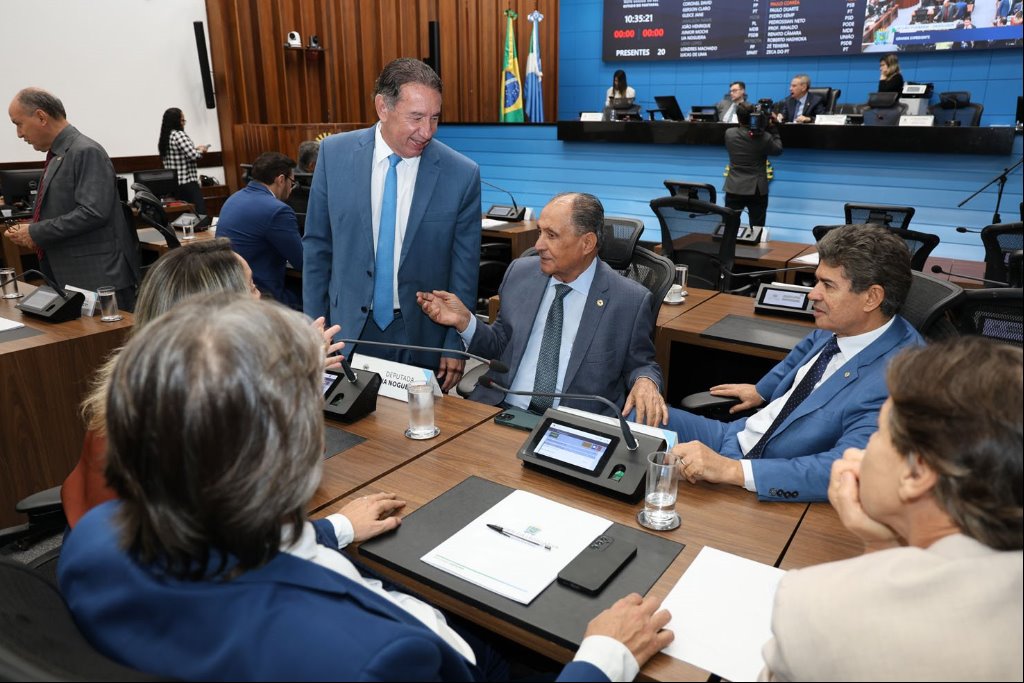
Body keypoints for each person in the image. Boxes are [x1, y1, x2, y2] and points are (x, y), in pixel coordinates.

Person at [59, 294, 674, 681]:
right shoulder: (372, 661)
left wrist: (332, 529)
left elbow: (221, 547)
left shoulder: (89, 546)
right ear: (294, 450)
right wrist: (602, 660)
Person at [760, 337, 1023, 680]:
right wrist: (881, 547)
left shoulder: (817, 607)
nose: (863, 449)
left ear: (917, 473)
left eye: (880, 433)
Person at [61, 239, 343, 528]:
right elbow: (292, 478)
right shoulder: (210, 411)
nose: (262, 298)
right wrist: (303, 378)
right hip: (167, 563)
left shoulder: (130, 379)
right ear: (221, 312)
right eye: (252, 288)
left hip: (98, 551)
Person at [667, 225, 922, 502]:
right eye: (817, 281)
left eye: (828, 285)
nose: (813, 294)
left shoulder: (901, 380)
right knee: (629, 420)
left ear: (872, 297)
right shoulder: (839, 326)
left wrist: (732, 470)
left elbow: (846, 469)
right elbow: (802, 354)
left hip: (769, 472)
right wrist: (761, 390)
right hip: (737, 435)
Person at [303, 57, 481, 392]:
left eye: (434, 118)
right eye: (416, 118)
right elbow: (317, 248)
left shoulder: (462, 174)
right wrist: (315, 329)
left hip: (421, 336)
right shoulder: (334, 154)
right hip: (347, 332)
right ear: (383, 107)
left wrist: (454, 343)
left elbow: (464, 268)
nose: (427, 131)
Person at [418, 193, 667, 426]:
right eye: (539, 233)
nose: (538, 245)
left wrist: (646, 381)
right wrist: (465, 322)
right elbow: (500, 345)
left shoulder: (629, 300)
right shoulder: (520, 273)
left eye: (552, 235)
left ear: (587, 243)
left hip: (571, 427)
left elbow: (641, 364)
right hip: (501, 410)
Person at [4, 87, 140, 310]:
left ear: (41, 117)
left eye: (18, 124)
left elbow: (93, 213)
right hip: (74, 276)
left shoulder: (85, 151)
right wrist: (33, 231)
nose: (19, 134)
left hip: (98, 278)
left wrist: (36, 232)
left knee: (115, 345)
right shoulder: (59, 154)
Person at [216, 151, 303, 307]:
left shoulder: (233, 198)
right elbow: (303, 262)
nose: (292, 188)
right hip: (264, 297)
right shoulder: (278, 210)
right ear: (281, 180)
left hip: (230, 293)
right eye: (292, 182)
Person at [723, 102, 782, 230]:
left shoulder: (729, 133)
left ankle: (728, 248)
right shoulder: (764, 137)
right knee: (757, 227)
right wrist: (773, 128)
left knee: (729, 226)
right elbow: (778, 150)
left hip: (734, 186)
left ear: (738, 117)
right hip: (756, 189)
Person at [157, 107, 209, 213]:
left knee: (183, 215)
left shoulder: (166, 137)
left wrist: (195, 149)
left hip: (174, 185)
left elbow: (179, 154)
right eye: (182, 120)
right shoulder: (179, 135)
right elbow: (193, 156)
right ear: (176, 121)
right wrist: (202, 150)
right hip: (187, 183)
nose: (184, 123)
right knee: (200, 215)